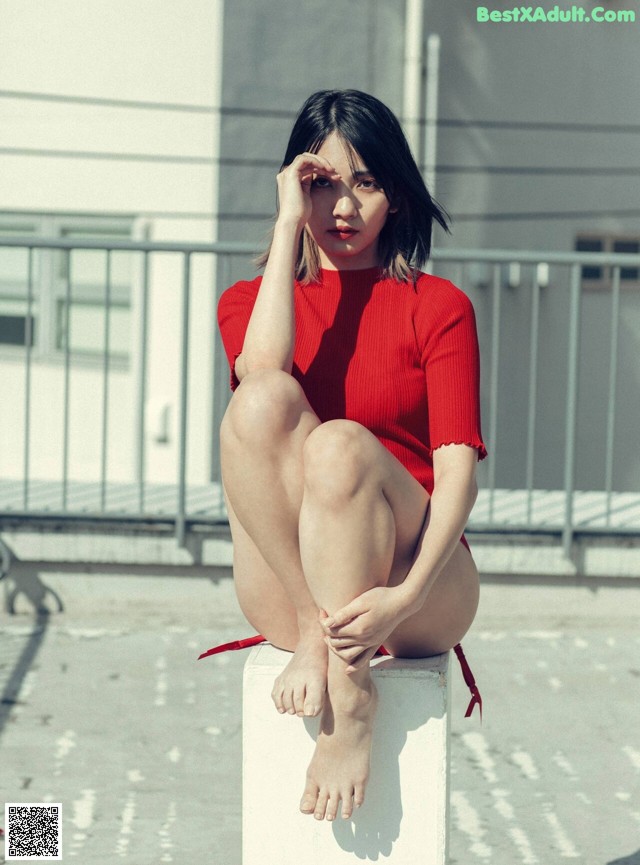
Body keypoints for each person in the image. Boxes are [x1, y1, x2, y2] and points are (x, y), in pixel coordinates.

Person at [215, 89, 486, 824]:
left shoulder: (439, 305)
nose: (342, 206)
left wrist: (406, 594)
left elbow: (457, 471)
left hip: (419, 586)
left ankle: (352, 705)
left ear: (395, 195)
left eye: (365, 182)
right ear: (297, 188)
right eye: (322, 184)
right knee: (259, 399)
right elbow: (261, 375)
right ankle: (322, 637)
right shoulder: (250, 300)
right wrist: (283, 227)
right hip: (298, 593)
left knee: (338, 442)